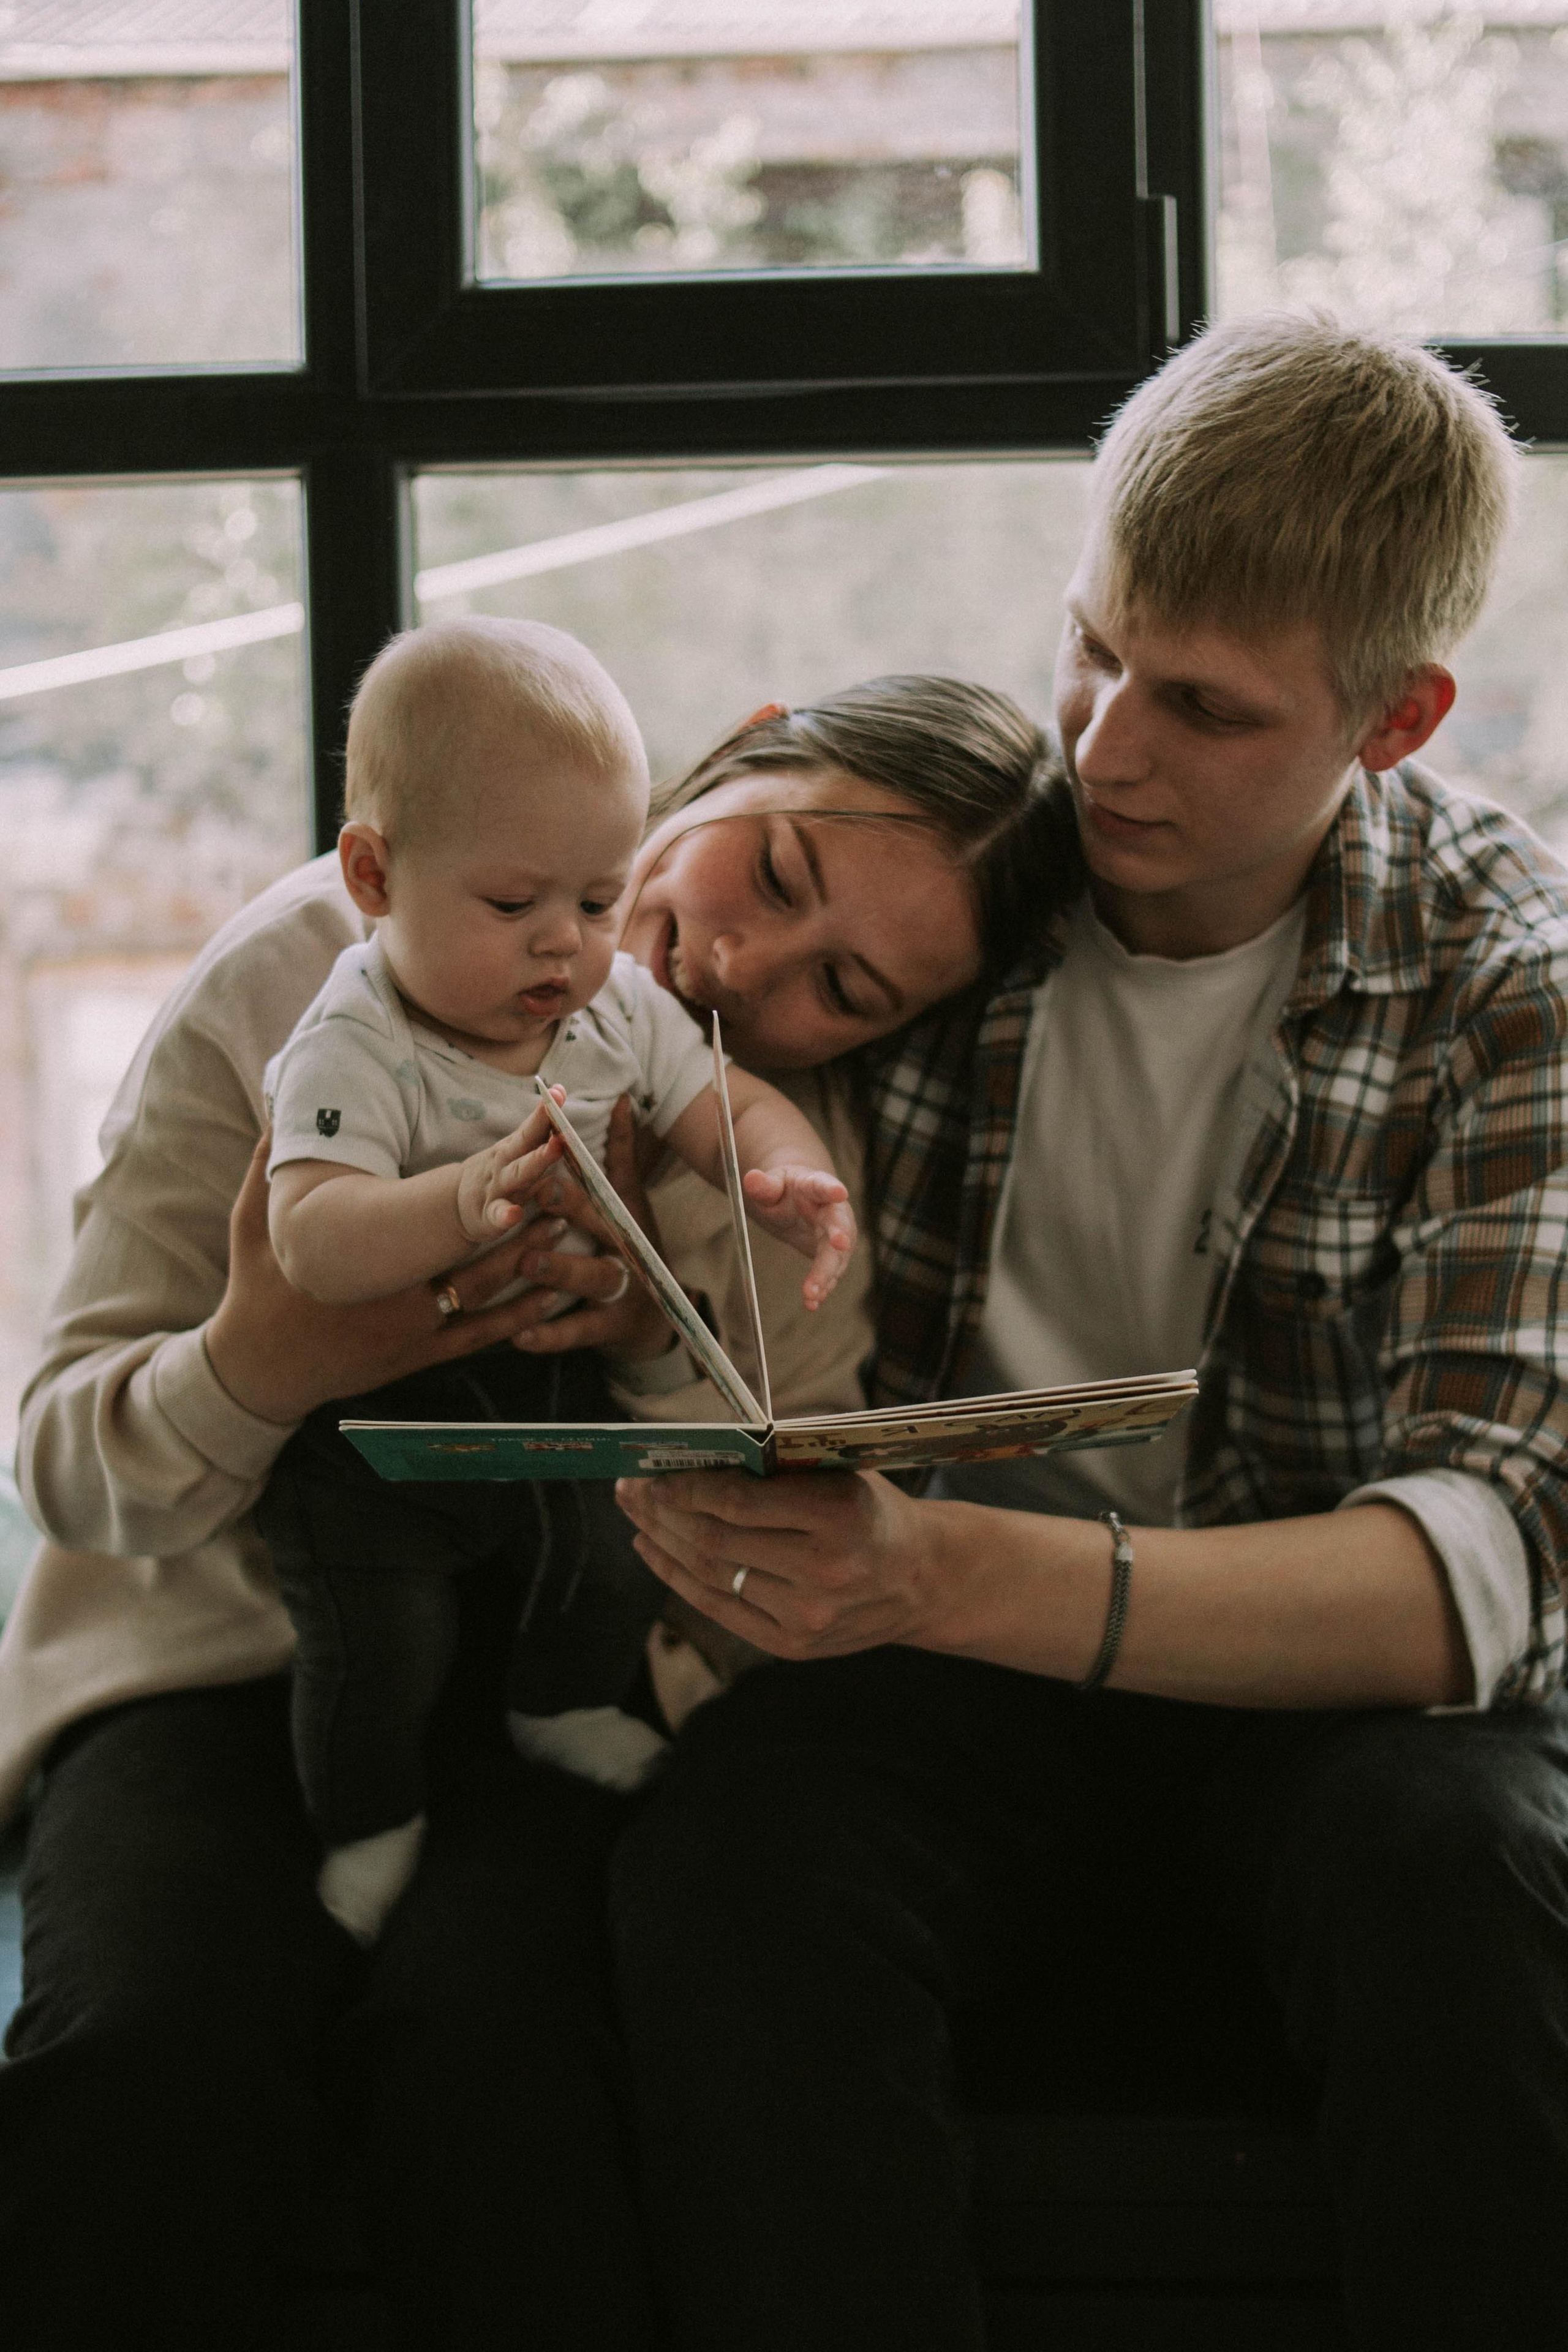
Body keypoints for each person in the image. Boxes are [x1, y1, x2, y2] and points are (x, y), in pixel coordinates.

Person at [612, 313, 1568, 2351]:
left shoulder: (1508, 976)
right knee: (741, 1844)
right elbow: (644, 973)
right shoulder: (961, 892)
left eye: (1207, 708)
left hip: (1325, 1700)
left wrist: (930, 1570)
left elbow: (1482, 1575)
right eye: (1094, 646)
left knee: (1459, 1866)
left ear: (1395, 723)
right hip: (969, 1685)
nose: (1107, 746)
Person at [0, 673, 1054, 2346]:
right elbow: (64, 1464)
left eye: (842, 988)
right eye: (767, 876)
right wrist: (262, 1356)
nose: (733, 972)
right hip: (201, 1663)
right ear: (734, 752)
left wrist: (646, 1341)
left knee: (502, 2065)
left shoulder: (776, 1153)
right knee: (150, 2055)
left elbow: (747, 1582)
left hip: (537, 1697)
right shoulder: (305, 987)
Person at [255, 617, 853, 1942]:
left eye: (595, 901)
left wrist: (783, 1172)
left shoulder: (607, 1007)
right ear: (373, 874)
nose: (562, 950)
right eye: (513, 906)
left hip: (551, 1384)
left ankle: (558, 1703)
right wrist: (459, 1198)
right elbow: (309, 1238)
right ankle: (367, 1820)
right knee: (374, 1645)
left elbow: (722, 1099)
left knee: (604, 1550)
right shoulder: (352, 1040)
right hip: (374, 1437)